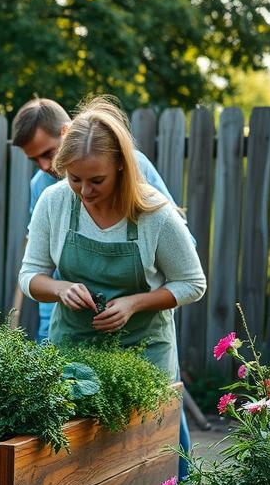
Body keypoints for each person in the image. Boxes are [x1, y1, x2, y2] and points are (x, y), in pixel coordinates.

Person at [18, 97, 205, 482]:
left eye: (96, 181)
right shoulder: (52, 202)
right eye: (74, 179)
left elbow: (193, 283)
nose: (84, 191)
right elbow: (30, 275)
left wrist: (135, 303)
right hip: (73, 343)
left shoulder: (155, 213)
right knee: (78, 459)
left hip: (143, 351)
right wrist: (60, 288)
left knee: (154, 454)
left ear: (121, 164)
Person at [11, 98, 177, 343]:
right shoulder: (41, 186)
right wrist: (51, 321)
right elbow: (39, 265)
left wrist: (134, 303)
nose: (45, 166)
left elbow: (182, 260)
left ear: (67, 132)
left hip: (140, 331)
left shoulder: (133, 166)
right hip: (65, 317)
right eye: (34, 160)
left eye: (47, 153)